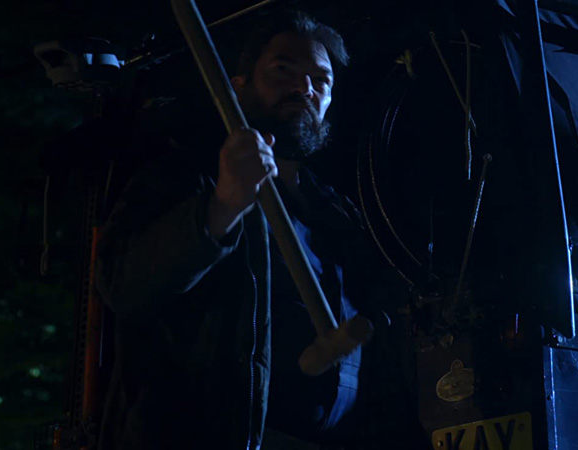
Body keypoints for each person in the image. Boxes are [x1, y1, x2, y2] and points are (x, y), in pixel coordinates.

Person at [95, 11, 424, 450]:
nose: (304, 88)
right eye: (283, 70)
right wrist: (222, 207)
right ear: (238, 86)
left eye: (320, 80)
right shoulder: (182, 177)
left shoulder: (338, 214)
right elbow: (122, 284)